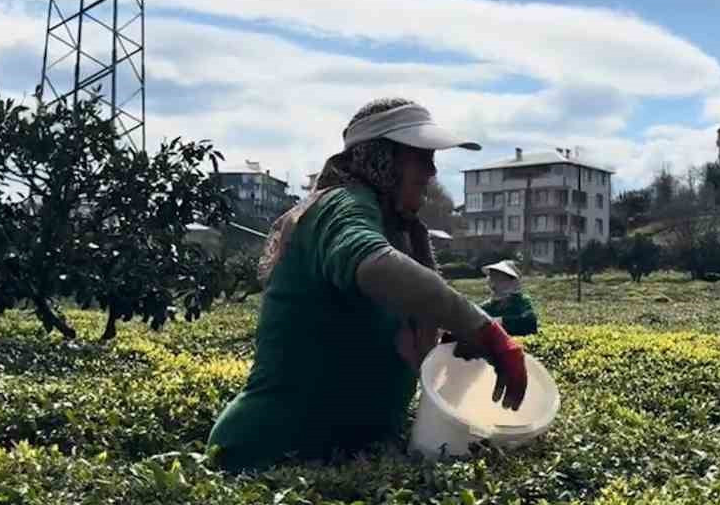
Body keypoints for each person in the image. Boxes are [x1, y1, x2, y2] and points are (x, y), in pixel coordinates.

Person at [207, 98, 528, 472]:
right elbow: (374, 264)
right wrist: (482, 328)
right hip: (270, 457)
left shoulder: (395, 227)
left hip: (346, 460)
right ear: (381, 158)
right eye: (420, 157)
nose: (431, 171)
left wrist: (446, 343)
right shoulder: (342, 205)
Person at [479, 260, 538, 336]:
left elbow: (530, 323)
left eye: (500, 279)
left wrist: (501, 321)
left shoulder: (522, 301)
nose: (494, 284)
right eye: (493, 278)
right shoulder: (486, 306)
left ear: (512, 282)